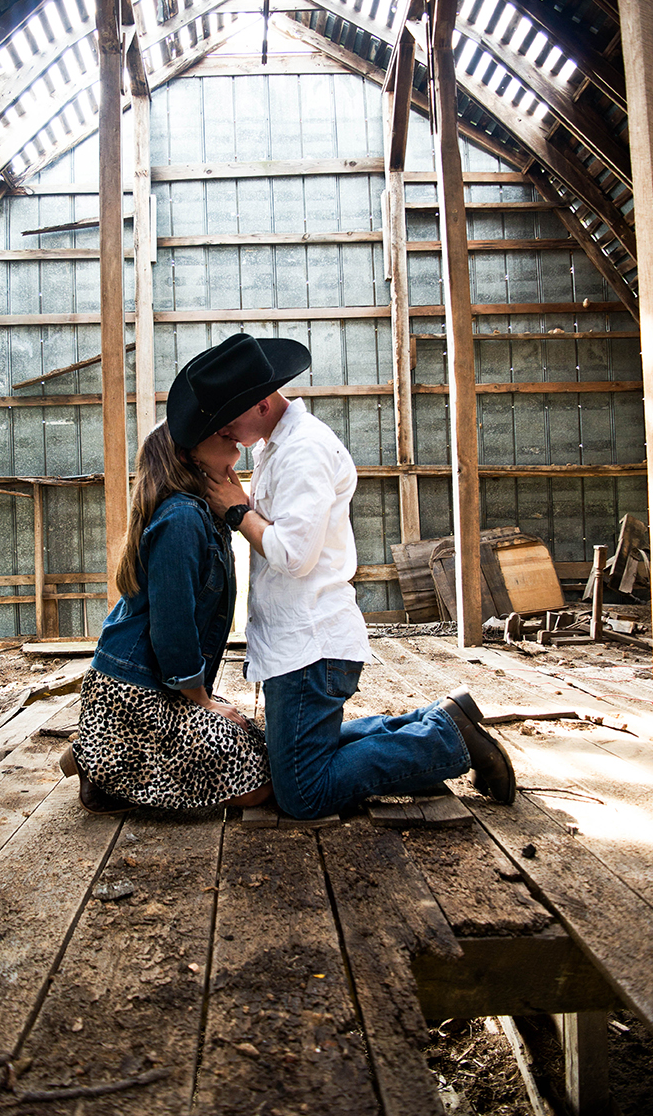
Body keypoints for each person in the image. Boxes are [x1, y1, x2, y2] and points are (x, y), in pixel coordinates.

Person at [166, 333, 517, 821]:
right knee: (293, 761)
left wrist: (236, 511)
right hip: (298, 641)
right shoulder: (276, 446)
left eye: (230, 416)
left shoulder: (303, 450)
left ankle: (444, 739)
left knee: (303, 793)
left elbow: (293, 556)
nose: (224, 428)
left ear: (263, 403)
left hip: (311, 645)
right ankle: (437, 723)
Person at [60, 420, 271, 813]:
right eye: (214, 428)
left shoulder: (203, 513)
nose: (227, 429)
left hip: (162, 685)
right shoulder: (183, 518)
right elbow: (173, 628)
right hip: (136, 692)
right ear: (187, 454)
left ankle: (101, 750)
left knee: (255, 742)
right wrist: (203, 702)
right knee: (255, 788)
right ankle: (104, 762)